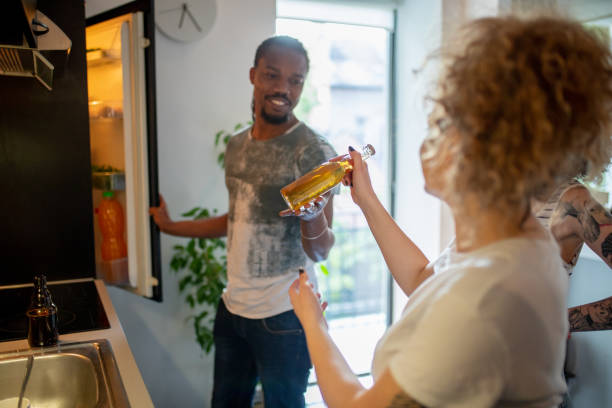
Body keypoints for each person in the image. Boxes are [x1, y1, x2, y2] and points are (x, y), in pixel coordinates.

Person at [288, 16, 612, 408]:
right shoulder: (509, 244)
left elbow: (358, 405)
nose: (428, 136)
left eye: (444, 122)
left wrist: (312, 325)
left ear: (490, 150)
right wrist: (368, 201)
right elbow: (425, 280)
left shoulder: (482, 298)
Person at [149, 35, 338, 407]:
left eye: (295, 80)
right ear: (253, 75)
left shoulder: (314, 152)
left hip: (285, 316)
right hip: (233, 308)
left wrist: (311, 215)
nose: (283, 88)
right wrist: (171, 227)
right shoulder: (236, 145)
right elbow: (237, 220)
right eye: (272, 75)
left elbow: (321, 250)